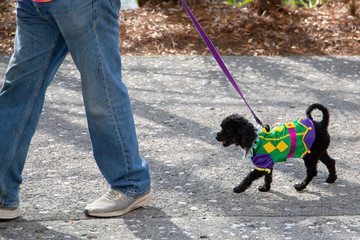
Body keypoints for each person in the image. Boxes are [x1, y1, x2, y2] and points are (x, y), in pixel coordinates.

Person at [0, 0, 153, 220]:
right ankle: (2, 194)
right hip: (33, 4)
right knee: (17, 89)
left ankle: (130, 184)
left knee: (101, 91)